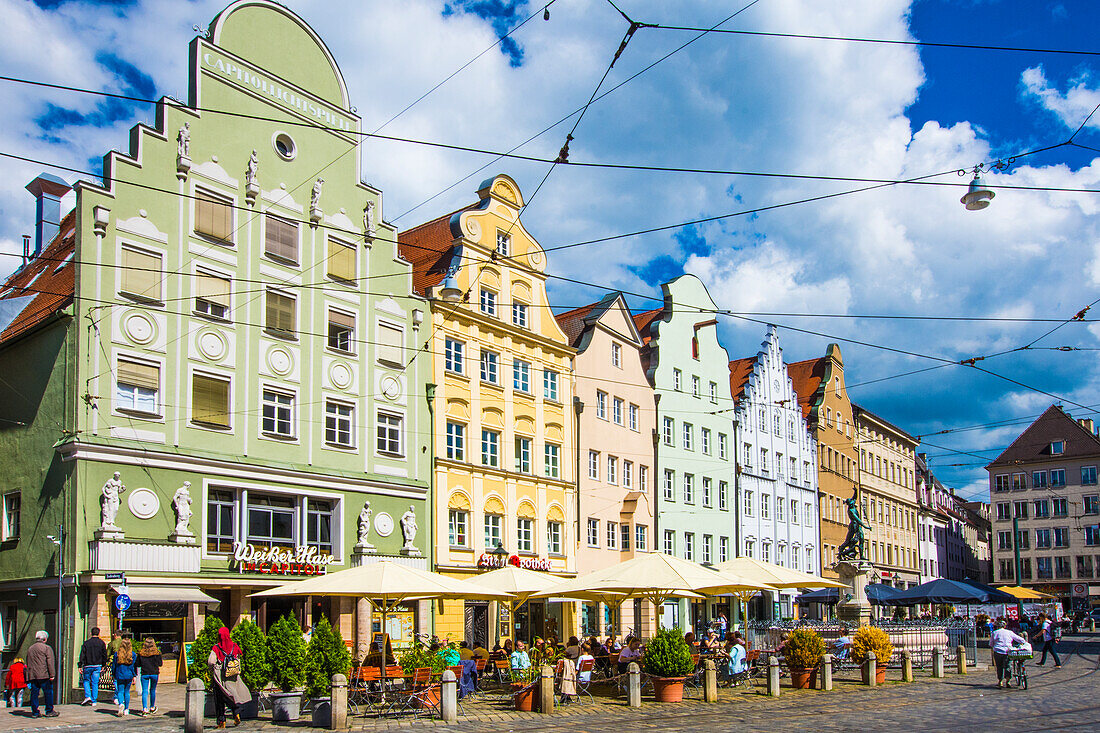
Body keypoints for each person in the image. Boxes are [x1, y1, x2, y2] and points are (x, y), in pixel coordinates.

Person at [209, 627, 250, 728]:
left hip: (220, 677)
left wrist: (212, 670)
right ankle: (236, 713)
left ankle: (221, 721)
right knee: (232, 695)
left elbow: (211, 661)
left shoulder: (217, 647)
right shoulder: (234, 646)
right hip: (232, 675)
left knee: (220, 698)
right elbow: (238, 658)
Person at [26, 630, 58, 718]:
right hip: (44, 674)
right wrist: (52, 674)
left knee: (34, 694)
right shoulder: (47, 648)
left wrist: (29, 675)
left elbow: (28, 662)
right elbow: (50, 662)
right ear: (44, 639)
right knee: (48, 693)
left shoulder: (30, 648)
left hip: (33, 675)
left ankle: (35, 712)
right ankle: (49, 710)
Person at [991, 619, 1029, 688]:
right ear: (1005, 626)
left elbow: (991, 644)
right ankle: (1008, 681)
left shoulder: (994, 633)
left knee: (999, 667)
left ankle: (1000, 681)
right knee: (1008, 666)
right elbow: (1019, 639)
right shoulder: (1009, 632)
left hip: (998, 651)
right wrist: (1024, 642)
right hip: (1007, 651)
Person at [79, 627, 108, 707]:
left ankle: (88, 696)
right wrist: (103, 664)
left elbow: (82, 655)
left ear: (91, 633)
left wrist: (80, 665)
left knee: (86, 680)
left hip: (87, 665)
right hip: (97, 665)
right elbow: (104, 655)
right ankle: (94, 700)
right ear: (99, 633)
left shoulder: (86, 643)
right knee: (95, 682)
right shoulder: (101, 643)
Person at [111, 637, 137, 717]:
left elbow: (114, 665)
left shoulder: (117, 654)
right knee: (127, 692)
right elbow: (134, 666)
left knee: (120, 691)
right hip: (129, 674)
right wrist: (134, 675)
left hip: (120, 674)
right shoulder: (133, 654)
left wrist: (113, 674)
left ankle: (121, 704)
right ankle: (126, 709)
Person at [137, 637, 163, 715]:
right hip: (154, 673)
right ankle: (152, 707)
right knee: (153, 690)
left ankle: (145, 708)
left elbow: (138, 664)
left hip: (145, 673)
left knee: (145, 690)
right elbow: (160, 664)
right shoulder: (157, 653)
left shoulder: (141, 653)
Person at [107, 630, 123, 704]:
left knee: (116, 680)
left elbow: (108, 654)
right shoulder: (124, 643)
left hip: (115, 662)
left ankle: (117, 696)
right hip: (125, 662)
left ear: (115, 635)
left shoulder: (112, 643)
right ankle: (122, 696)